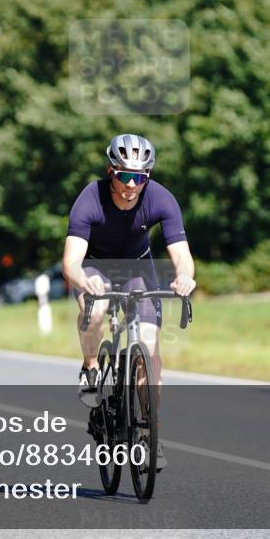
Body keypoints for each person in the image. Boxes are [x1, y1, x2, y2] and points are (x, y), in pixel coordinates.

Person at [62, 134, 196, 470]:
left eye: (139, 177)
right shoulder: (89, 199)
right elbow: (70, 263)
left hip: (138, 267)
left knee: (148, 349)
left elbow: (181, 255)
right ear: (111, 171)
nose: (131, 185)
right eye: (124, 176)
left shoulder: (161, 198)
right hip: (96, 266)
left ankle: (150, 432)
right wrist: (83, 281)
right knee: (96, 312)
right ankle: (91, 367)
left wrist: (184, 278)